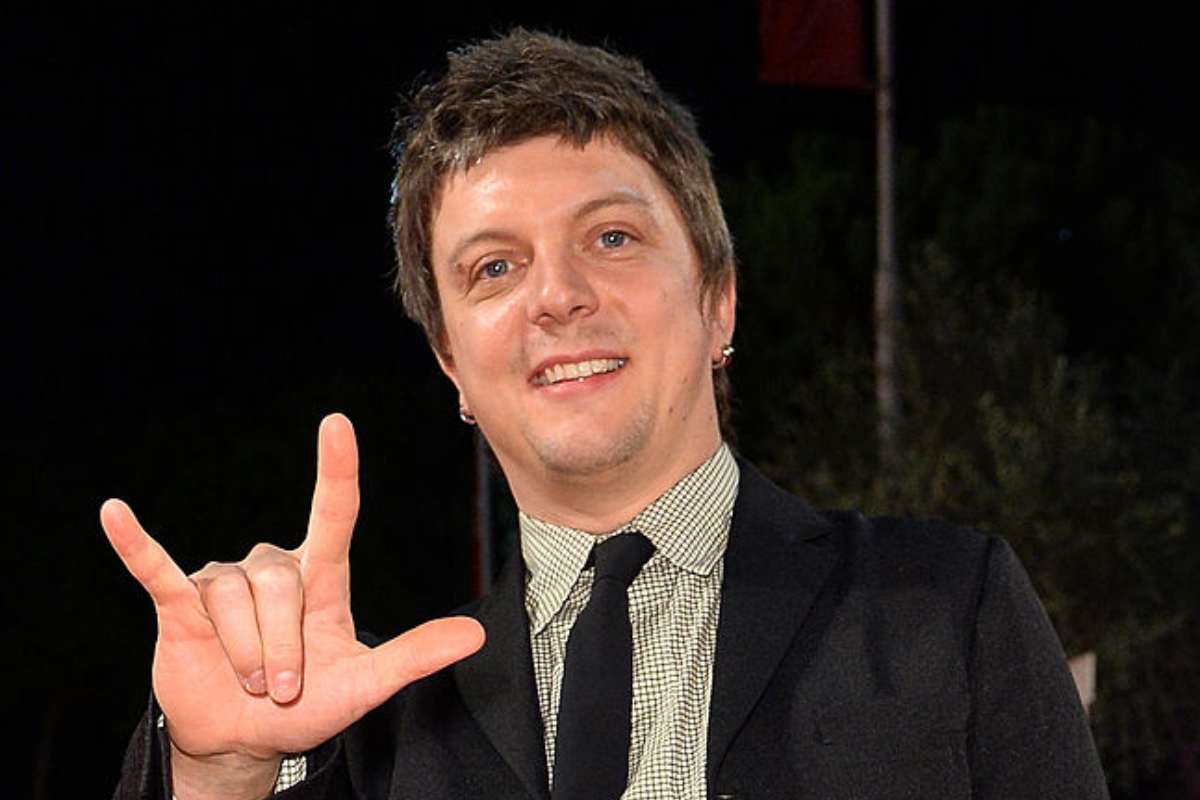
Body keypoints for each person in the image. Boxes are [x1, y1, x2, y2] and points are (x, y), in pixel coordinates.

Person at [106, 29, 1109, 800]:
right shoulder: (372, 733)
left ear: (719, 300)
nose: (557, 296)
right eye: (494, 267)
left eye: (613, 237)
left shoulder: (951, 609)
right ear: (452, 363)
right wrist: (220, 772)